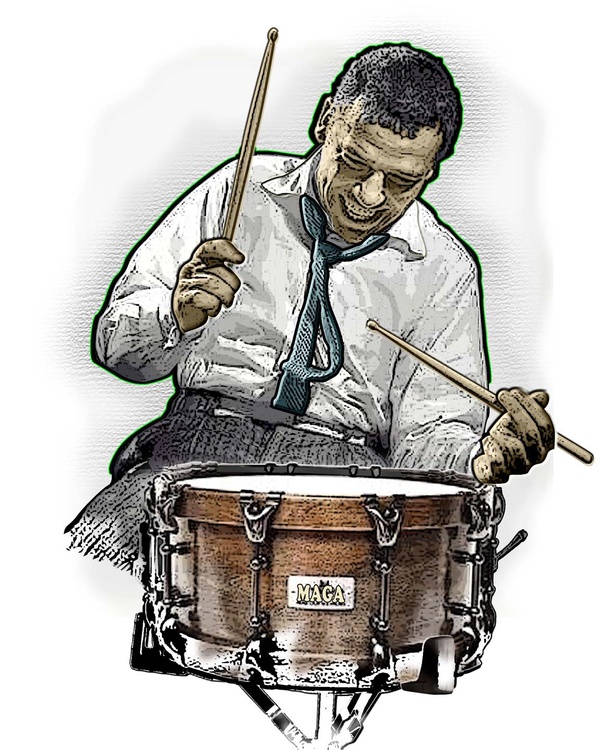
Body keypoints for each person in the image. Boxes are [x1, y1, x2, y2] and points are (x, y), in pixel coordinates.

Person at [66, 43, 554, 573]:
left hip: (349, 485)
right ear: (325, 122)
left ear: (431, 171)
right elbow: (115, 349)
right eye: (354, 162)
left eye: (401, 182)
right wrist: (173, 314)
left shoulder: (443, 267)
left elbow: (424, 442)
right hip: (197, 448)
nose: (369, 196)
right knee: (89, 570)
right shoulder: (237, 191)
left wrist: (481, 456)